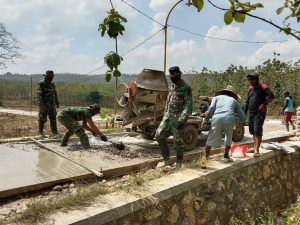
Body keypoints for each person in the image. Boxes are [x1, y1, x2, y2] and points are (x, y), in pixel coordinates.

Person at [155, 66, 192, 167]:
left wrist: (182, 119)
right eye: (171, 76)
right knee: (158, 135)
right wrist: (165, 115)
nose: (172, 78)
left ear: (179, 75)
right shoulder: (171, 86)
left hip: (178, 119)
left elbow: (188, 105)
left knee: (178, 142)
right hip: (167, 117)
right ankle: (166, 160)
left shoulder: (186, 88)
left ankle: (179, 163)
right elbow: (168, 101)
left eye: (174, 76)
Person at [201, 86, 246, 162]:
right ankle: (226, 156)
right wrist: (241, 121)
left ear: (222, 92)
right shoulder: (234, 101)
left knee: (210, 139)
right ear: (232, 94)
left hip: (217, 118)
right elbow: (241, 115)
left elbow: (211, 109)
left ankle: (204, 160)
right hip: (229, 119)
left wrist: (205, 120)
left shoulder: (216, 98)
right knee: (228, 137)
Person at [244, 73, 275, 157]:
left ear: (256, 79)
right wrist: (244, 112)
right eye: (249, 79)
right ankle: (254, 148)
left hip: (259, 112)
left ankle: (257, 150)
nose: (250, 81)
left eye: (252, 79)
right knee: (253, 130)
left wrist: (264, 104)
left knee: (257, 129)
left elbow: (271, 95)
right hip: (251, 113)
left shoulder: (262, 86)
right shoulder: (250, 89)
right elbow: (247, 102)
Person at [37, 70, 60, 137]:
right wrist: (41, 105)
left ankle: (54, 132)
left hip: (52, 105)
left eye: (52, 77)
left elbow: (55, 94)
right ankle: (40, 133)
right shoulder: (41, 83)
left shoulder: (52, 84)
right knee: (42, 119)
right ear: (46, 76)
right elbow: (39, 95)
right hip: (44, 105)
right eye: (50, 77)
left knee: (53, 118)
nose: (51, 78)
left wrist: (57, 102)